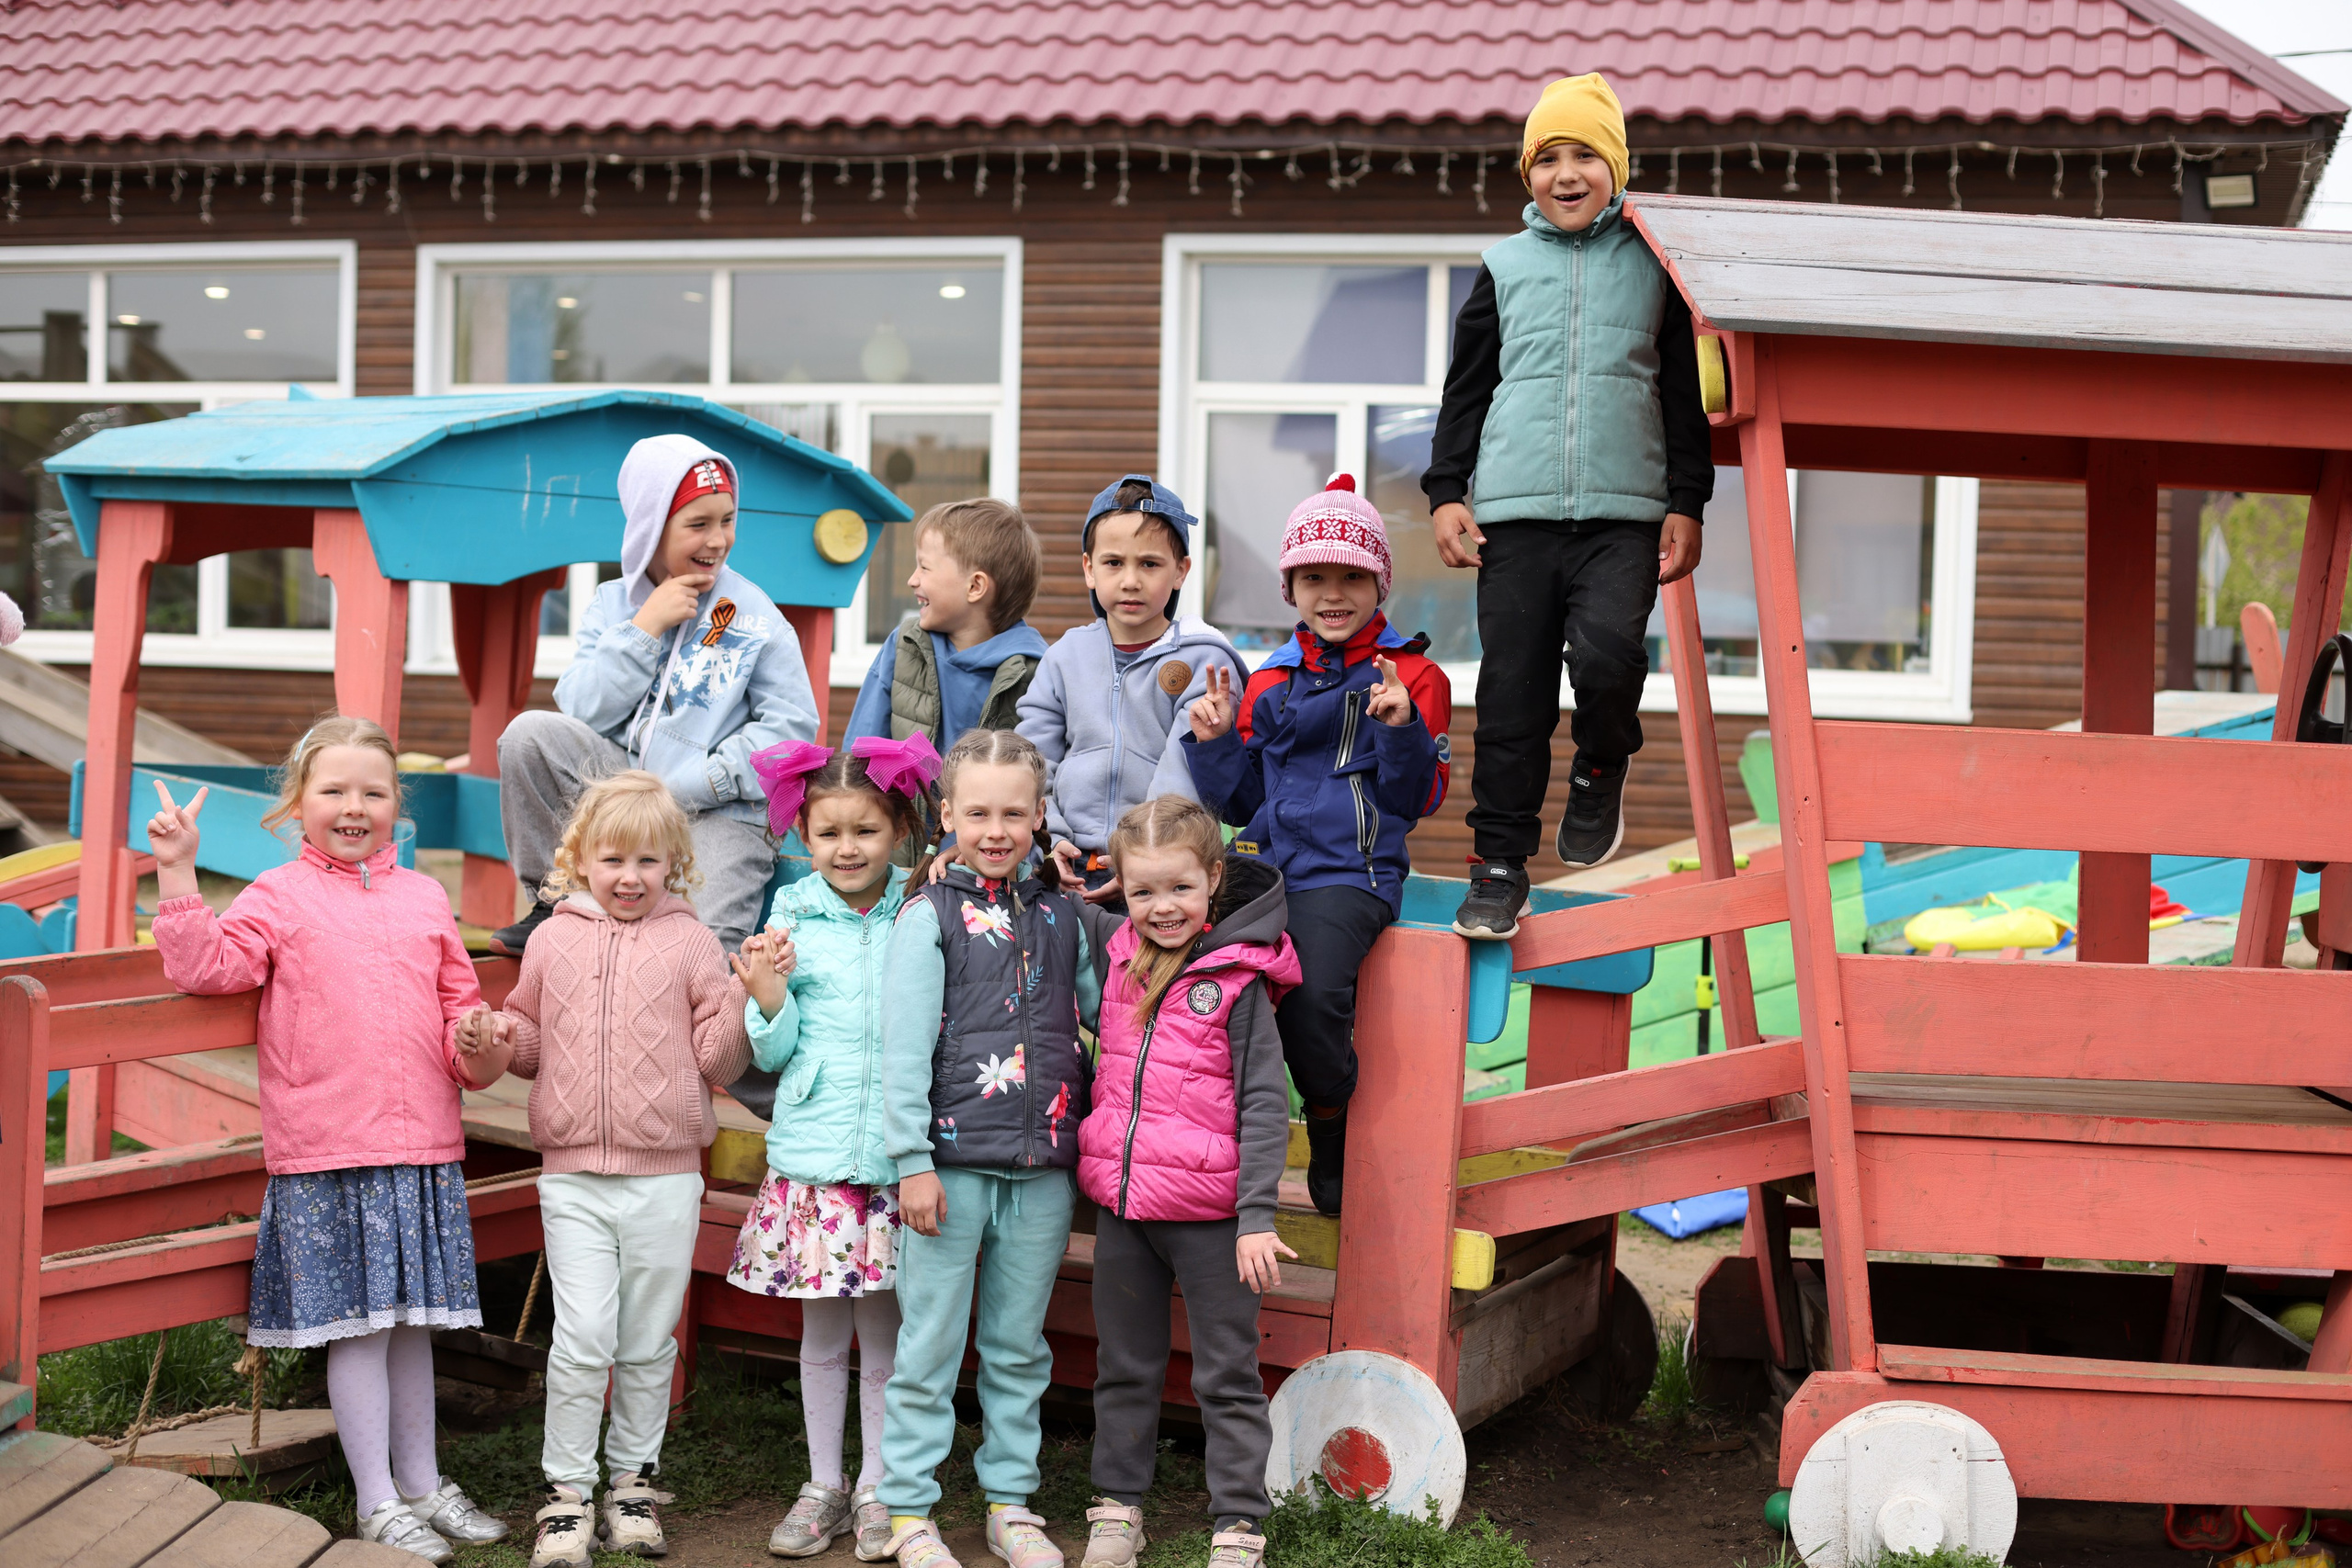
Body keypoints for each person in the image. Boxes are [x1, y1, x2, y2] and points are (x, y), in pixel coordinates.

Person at [147, 716, 510, 1564]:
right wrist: (176, 868)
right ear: (298, 804)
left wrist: (478, 1043)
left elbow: (461, 1008)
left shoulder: (424, 897)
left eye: (373, 792)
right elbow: (207, 968)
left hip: (420, 1143)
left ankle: (422, 1484)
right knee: (360, 1328)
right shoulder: (277, 894)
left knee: (415, 1324)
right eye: (334, 791)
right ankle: (376, 1500)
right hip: (328, 1147)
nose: (355, 807)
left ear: (397, 808)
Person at [1423, 71, 1713, 936]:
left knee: (1609, 655)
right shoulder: (1504, 267)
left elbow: (1683, 398)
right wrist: (1446, 491)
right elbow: (1465, 390)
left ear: (1617, 168)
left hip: (1626, 513)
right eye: (1547, 158)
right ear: (1527, 174)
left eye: (1586, 153)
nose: (1567, 173)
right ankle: (1499, 867)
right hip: (1514, 516)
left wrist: (1686, 499)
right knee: (1512, 694)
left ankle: (1600, 765)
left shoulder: (1653, 263)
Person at [457, 772, 752, 1567]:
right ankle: (565, 1494)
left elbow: (718, 1059)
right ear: (580, 859)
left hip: (665, 1177)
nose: (630, 876)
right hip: (574, 1174)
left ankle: (633, 1482)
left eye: (649, 861)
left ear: (674, 865)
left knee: (648, 1338)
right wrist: (494, 1041)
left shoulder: (692, 941)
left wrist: (743, 1001)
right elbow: (528, 1033)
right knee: (583, 1334)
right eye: (613, 858)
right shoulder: (553, 937)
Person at [1182, 475, 1452, 1215]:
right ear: (1291, 587)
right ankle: (1203, 1155)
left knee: (1311, 999)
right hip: (1261, 871)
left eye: (1351, 577)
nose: (1332, 594)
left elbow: (1417, 800)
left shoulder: (1415, 676)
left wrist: (1400, 729)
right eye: (1313, 578)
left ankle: (1329, 1122)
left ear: (1379, 583)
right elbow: (1241, 803)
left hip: (1350, 874)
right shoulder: (1267, 679)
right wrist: (1211, 742)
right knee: (1195, 989)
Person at [876, 729, 1102, 1568]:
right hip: (949, 1167)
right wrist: (912, 1162)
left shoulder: (1062, 914)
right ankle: (907, 1510)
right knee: (930, 1342)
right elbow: (902, 1048)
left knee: (1017, 1346)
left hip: (1042, 1171)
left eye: (1014, 811)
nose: (997, 827)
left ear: (1041, 814)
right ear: (948, 815)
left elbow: (1101, 1014)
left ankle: (1011, 1501)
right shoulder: (928, 915)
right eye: (978, 811)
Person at [722, 734, 943, 1562]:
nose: (847, 849)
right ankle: (824, 1485)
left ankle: (883, 1485)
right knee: (822, 1337)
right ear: (802, 836)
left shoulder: (920, 914)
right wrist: (768, 997)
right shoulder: (789, 918)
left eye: (866, 831)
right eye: (828, 833)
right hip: (815, 1163)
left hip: (893, 1160)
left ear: (899, 832)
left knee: (885, 1339)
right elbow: (771, 1056)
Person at [1075, 798, 1298, 1568]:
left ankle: (1239, 1523)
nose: (1161, 908)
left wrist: (1256, 1215)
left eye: (1178, 889)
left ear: (1212, 880)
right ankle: (1117, 1507)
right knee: (1124, 1365)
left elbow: (1268, 1101)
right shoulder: (1113, 952)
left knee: (1226, 1373)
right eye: (1142, 892)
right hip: (1126, 1210)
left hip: (1212, 1222)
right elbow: (1037, 893)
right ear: (1122, 891)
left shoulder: (1237, 979)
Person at [493, 433, 820, 956]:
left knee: (702, 946)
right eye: (698, 524)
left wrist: (705, 780)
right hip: (625, 786)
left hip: (722, 810)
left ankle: (703, 1028)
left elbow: (792, 729)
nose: (717, 540)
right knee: (528, 736)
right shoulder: (613, 605)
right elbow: (581, 708)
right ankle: (554, 901)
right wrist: (642, 631)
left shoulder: (758, 618)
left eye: (727, 520)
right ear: (650, 527)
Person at [1018, 475, 1243, 906]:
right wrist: (1049, 842)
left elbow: (1181, 781)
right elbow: (1033, 764)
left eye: (1150, 564)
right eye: (1113, 563)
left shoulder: (1205, 663)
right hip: (1061, 865)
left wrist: (1141, 860)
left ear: (1181, 571)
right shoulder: (1064, 657)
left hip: (1158, 875)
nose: (1130, 580)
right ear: (1088, 568)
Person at [842, 497, 1048, 753]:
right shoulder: (906, 646)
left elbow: (1042, 768)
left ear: (975, 587)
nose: (912, 580)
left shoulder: (1035, 672)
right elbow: (860, 753)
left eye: (924, 567)